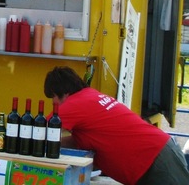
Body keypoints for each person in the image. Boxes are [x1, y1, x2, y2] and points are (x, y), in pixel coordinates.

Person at [44, 66, 189, 185]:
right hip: (160, 151)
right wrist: (56, 143)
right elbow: (82, 140)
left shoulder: (72, 104)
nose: (52, 103)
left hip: (155, 163)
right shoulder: (91, 95)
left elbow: (39, 130)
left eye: (52, 97)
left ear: (62, 91)